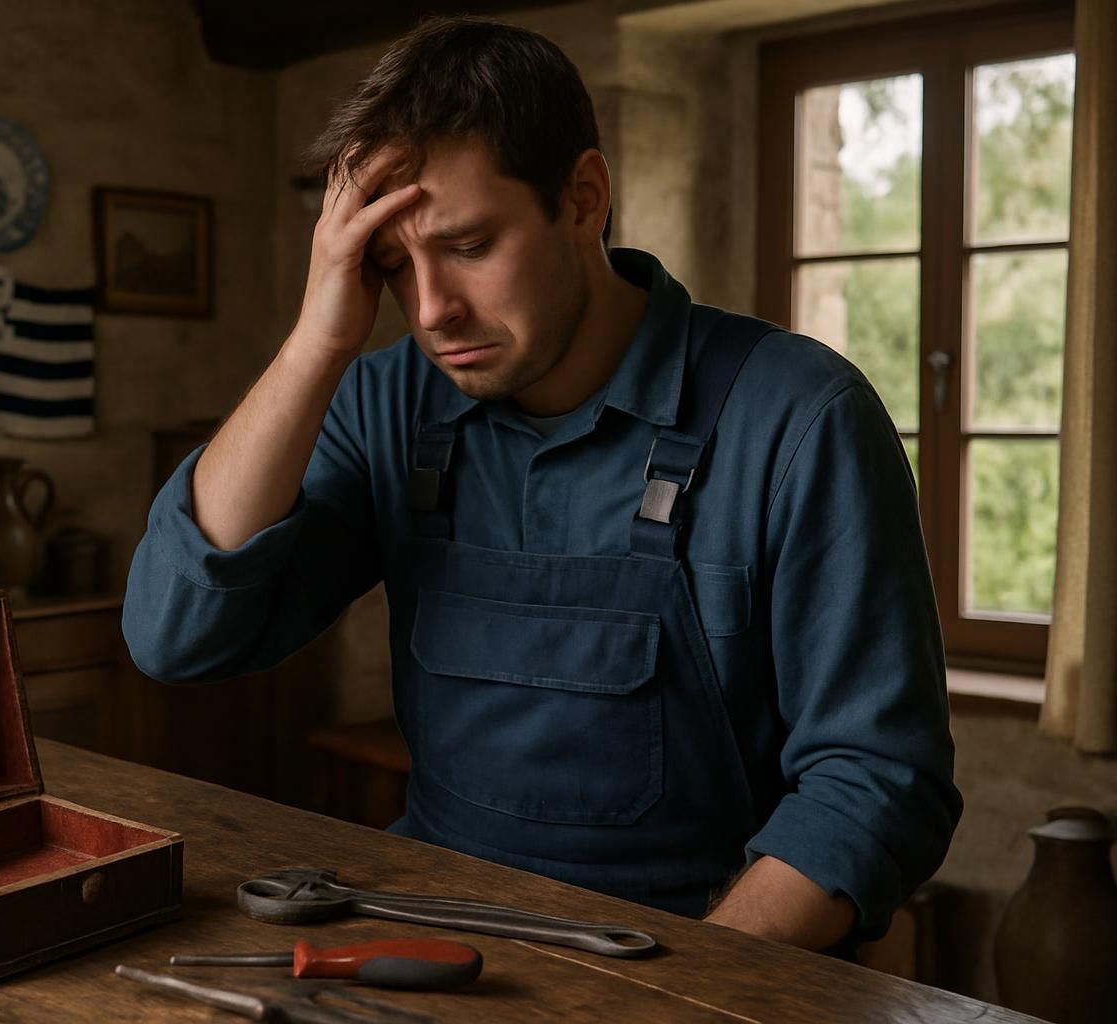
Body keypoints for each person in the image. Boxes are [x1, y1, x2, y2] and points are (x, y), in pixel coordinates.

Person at [123, 16, 960, 953]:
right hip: (438, 942)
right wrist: (317, 341)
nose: (432, 309)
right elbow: (175, 636)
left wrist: (684, 994)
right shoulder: (386, 403)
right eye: (392, 264)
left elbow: (876, 782)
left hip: (695, 959)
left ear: (584, 198)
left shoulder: (800, 418)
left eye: (470, 245)